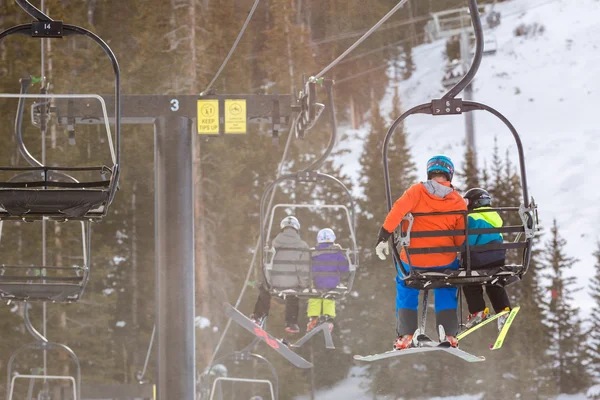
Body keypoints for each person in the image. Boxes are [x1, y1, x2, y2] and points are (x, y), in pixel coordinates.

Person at [375, 155, 466, 350]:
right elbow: (460, 238)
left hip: (413, 261)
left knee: (405, 284)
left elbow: (397, 211)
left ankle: (406, 334)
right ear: (450, 173)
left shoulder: (416, 192)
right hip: (444, 261)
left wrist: (383, 236)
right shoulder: (457, 201)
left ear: (429, 172)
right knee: (447, 285)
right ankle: (448, 332)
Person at [461, 188, 512, 330]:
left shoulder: (473, 218)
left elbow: (468, 243)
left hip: (478, 260)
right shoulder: (495, 217)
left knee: (469, 281)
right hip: (497, 259)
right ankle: (503, 309)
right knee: (493, 281)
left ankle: (478, 312)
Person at [250, 216, 310, 334]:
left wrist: (268, 281)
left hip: (275, 281)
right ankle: (291, 323)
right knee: (293, 294)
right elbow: (304, 268)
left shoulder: (274, 244)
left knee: (265, 289)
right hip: (293, 283)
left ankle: (258, 316)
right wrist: (303, 285)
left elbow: (268, 265)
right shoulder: (303, 246)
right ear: (296, 229)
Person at [306, 228, 349, 332]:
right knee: (329, 296)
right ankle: (328, 317)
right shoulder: (337, 252)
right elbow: (344, 269)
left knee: (315, 295)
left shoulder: (314, 253)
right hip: (332, 283)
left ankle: (314, 316)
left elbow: (310, 269)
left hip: (317, 282)